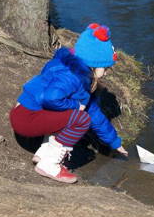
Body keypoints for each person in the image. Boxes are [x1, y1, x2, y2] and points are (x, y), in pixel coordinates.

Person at [9, 23, 128, 184]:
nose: (106, 72)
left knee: (74, 113)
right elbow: (50, 98)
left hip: (24, 114)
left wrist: (114, 142)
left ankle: (43, 153)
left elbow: (94, 113)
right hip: (27, 119)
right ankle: (49, 164)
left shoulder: (71, 71)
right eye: (105, 67)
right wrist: (75, 106)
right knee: (80, 119)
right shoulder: (72, 78)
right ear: (93, 62)